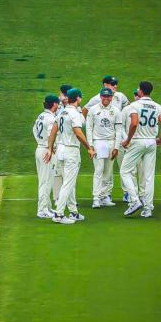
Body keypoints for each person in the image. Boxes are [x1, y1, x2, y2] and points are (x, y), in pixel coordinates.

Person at [44, 88, 95, 224]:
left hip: (60, 149)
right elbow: (78, 132)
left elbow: (53, 131)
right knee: (68, 183)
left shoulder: (62, 112)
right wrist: (89, 148)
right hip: (71, 150)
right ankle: (59, 214)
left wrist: (50, 148)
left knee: (68, 182)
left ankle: (73, 212)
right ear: (78, 98)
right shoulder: (74, 113)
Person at [120, 81, 161, 217]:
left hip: (137, 141)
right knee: (148, 176)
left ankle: (134, 200)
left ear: (140, 91)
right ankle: (148, 208)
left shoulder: (134, 106)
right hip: (152, 142)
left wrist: (127, 140)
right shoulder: (157, 106)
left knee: (125, 171)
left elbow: (134, 123)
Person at [82, 75, 130, 203]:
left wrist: (119, 141)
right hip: (99, 140)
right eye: (112, 84)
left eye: (116, 84)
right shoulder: (95, 102)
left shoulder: (120, 97)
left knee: (116, 168)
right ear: (104, 85)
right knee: (100, 170)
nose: (115, 86)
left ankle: (117, 194)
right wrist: (89, 142)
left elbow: (128, 111)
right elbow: (85, 115)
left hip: (115, 138)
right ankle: (100, 196)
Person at [86, 87, 122, 208]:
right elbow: (89, 128)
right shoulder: (93, 110)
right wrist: (90, 145)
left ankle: (104, 196)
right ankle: (96, 198)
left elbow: (119, 130)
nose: (106, 98)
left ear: (111, 97)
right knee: (98, 170)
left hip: (111, 142)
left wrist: (116, 147)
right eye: (104, 96)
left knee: (108, 172)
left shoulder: (116, 111)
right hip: (98, 142)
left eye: (108, 96)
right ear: (100, 97)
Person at [33, 94, 60, 218]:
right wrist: (51, 148)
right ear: (54, 104)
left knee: (45, 180)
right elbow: (51, 135)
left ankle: (47, 207)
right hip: (46, 151)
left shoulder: (41, 116)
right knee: (46, 181)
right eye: (57, 103)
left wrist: (41, 143)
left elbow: (34, 130)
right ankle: (42, 210)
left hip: (40, 148)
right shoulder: (50, 118)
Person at [53, 84, 72, 202]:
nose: (60, 96)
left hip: (68, 143)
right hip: (58, 143)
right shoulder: (56, 106)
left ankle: (69, 198)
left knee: (69, 173)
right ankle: (57, 197)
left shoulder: (73, 106)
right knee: (57, 172)